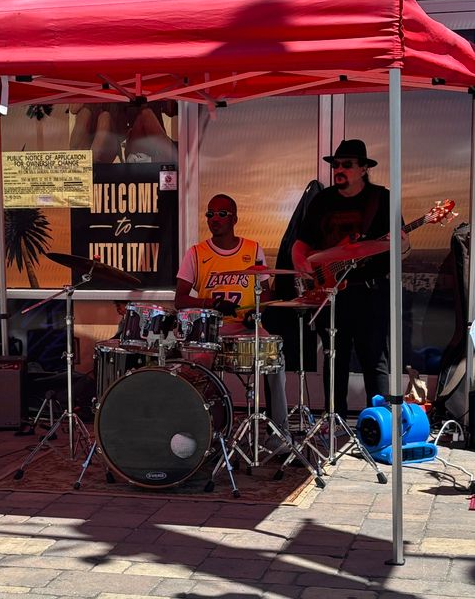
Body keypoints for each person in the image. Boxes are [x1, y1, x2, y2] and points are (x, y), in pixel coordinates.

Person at [291, 139, 408, 418]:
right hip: (332, 293)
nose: (339, 169)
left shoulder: (382, 199)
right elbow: (300, 244)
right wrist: (304, 269)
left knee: (374, 360)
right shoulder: (323, 201)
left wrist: (400, 243)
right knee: (334, 359)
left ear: (364, 168)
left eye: (347, 165)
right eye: (336, 165)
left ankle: (380, 425)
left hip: (370, 292)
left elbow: (403, 246)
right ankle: (334, 422)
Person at [175, 192, 289, 443]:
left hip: (247, 328)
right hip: (211, 331)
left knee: (275, 358)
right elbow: (180, 299)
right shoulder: (196, 252)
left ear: (234, 218)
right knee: (197, 367)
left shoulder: (252, 249)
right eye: (210, 214)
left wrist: (256, 314)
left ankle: (279, 433)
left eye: (221, 214)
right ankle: (204, 431)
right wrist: (211, 303)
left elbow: (266, 293)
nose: (214, 219)